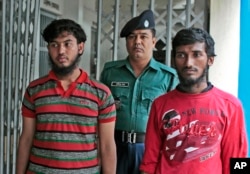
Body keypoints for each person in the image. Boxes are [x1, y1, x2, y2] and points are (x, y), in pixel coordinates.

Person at [140, 28, 248, 174]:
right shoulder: (160, 105)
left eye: (196, 55)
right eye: (181, 55)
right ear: (173, 60)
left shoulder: (231, 106)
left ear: (210, 59)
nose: (188, 63)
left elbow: (238, 162)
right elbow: (149, 162)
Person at [16, 19, 117, 174]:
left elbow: (107, 145)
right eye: (54, 44)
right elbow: (26, 139)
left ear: (80, 47)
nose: (61, 51)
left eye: (67, 44)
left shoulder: (101, 93)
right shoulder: (34, 90)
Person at [100, 10, 179, 174]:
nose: (137, 41)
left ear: (154, 41)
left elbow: (175, 120)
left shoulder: (168, 77)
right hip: (113, 147)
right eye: (131, 37)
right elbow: (98, 111)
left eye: (143, 36)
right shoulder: (111, 72)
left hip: (149, 149)